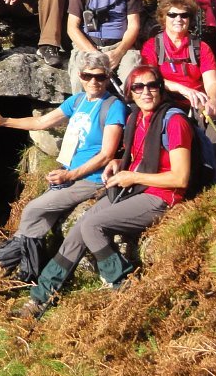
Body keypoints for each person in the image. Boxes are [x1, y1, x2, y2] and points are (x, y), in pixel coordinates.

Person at [13, 65, 191, 318]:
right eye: (138, 87)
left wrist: (132, 176)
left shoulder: (174, 122)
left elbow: (180, 178)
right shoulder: (137, 118)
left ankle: (126, 290)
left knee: (92, 225)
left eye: (152, 86)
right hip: (134, 187)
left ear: (161, 88)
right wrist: (118, 164)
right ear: (130, 92)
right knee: (77, 231)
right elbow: (139, 157)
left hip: (159, 195)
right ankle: (40, 297)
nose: (146, 92)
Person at [0, 51, 125, 284]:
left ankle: (9, 270)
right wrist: (4, 121)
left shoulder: (113, 107)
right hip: (69, 175)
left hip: (91, 179)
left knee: (34, 210)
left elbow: (106, 155)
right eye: (87, 76)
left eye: (100, 77)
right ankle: (21, 271)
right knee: (36, 218)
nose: (94, 81)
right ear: (80, 76)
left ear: (108, 77)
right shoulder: (78, 101)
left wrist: (70, 174)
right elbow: (42, 122)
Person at [140, 0, 216, 119]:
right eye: (172, 15)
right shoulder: (152, 46)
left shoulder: (201, 47)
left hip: (197, 102)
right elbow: (150, 80)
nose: (178, 19)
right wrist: (181, 89)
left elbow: (212, 82)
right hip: (164, 102)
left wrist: (213, 100)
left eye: (184, 15)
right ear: (163, 18)